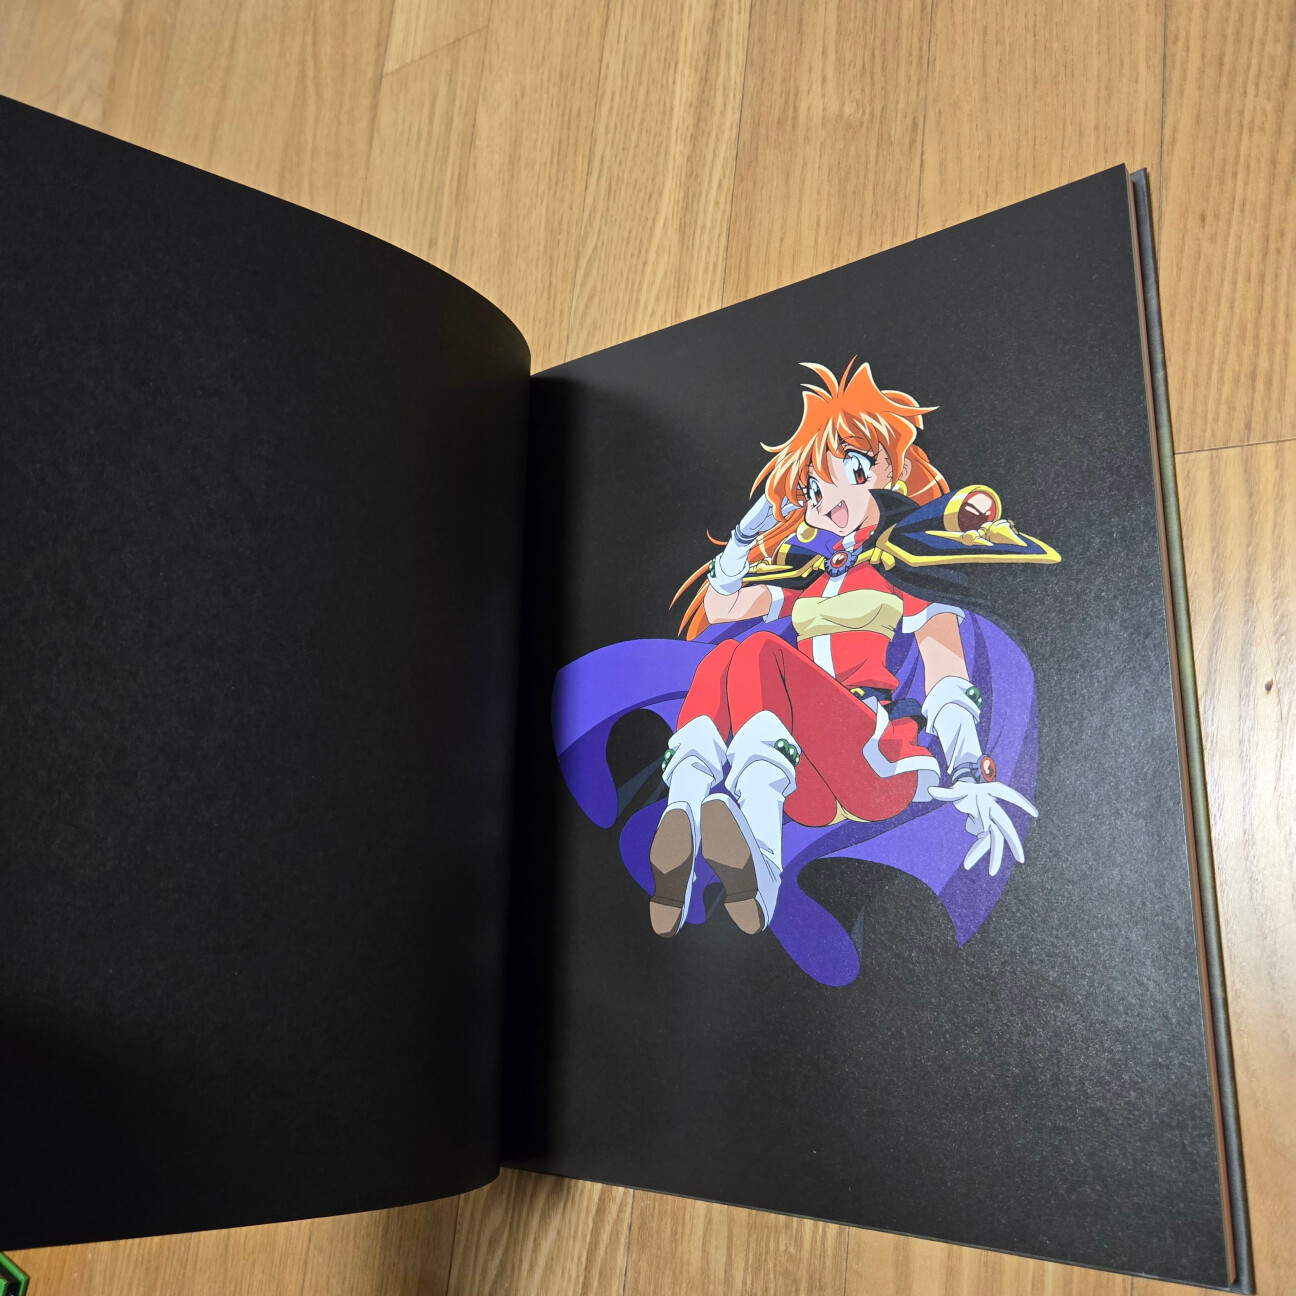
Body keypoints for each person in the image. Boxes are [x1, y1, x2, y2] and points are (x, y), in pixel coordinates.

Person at [647, 359, 1056, 938]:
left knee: (760, 654)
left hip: (874, 756)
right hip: (806, 778)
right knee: (722, 658)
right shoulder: (813, 577)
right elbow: (722, 608)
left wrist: (968, 767)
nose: (831, 498)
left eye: (854, 469)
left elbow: (944, 666)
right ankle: (686, 814)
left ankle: (753, 859)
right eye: (815, 489)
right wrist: (743, 539)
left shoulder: (904, 564)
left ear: (893, 471)